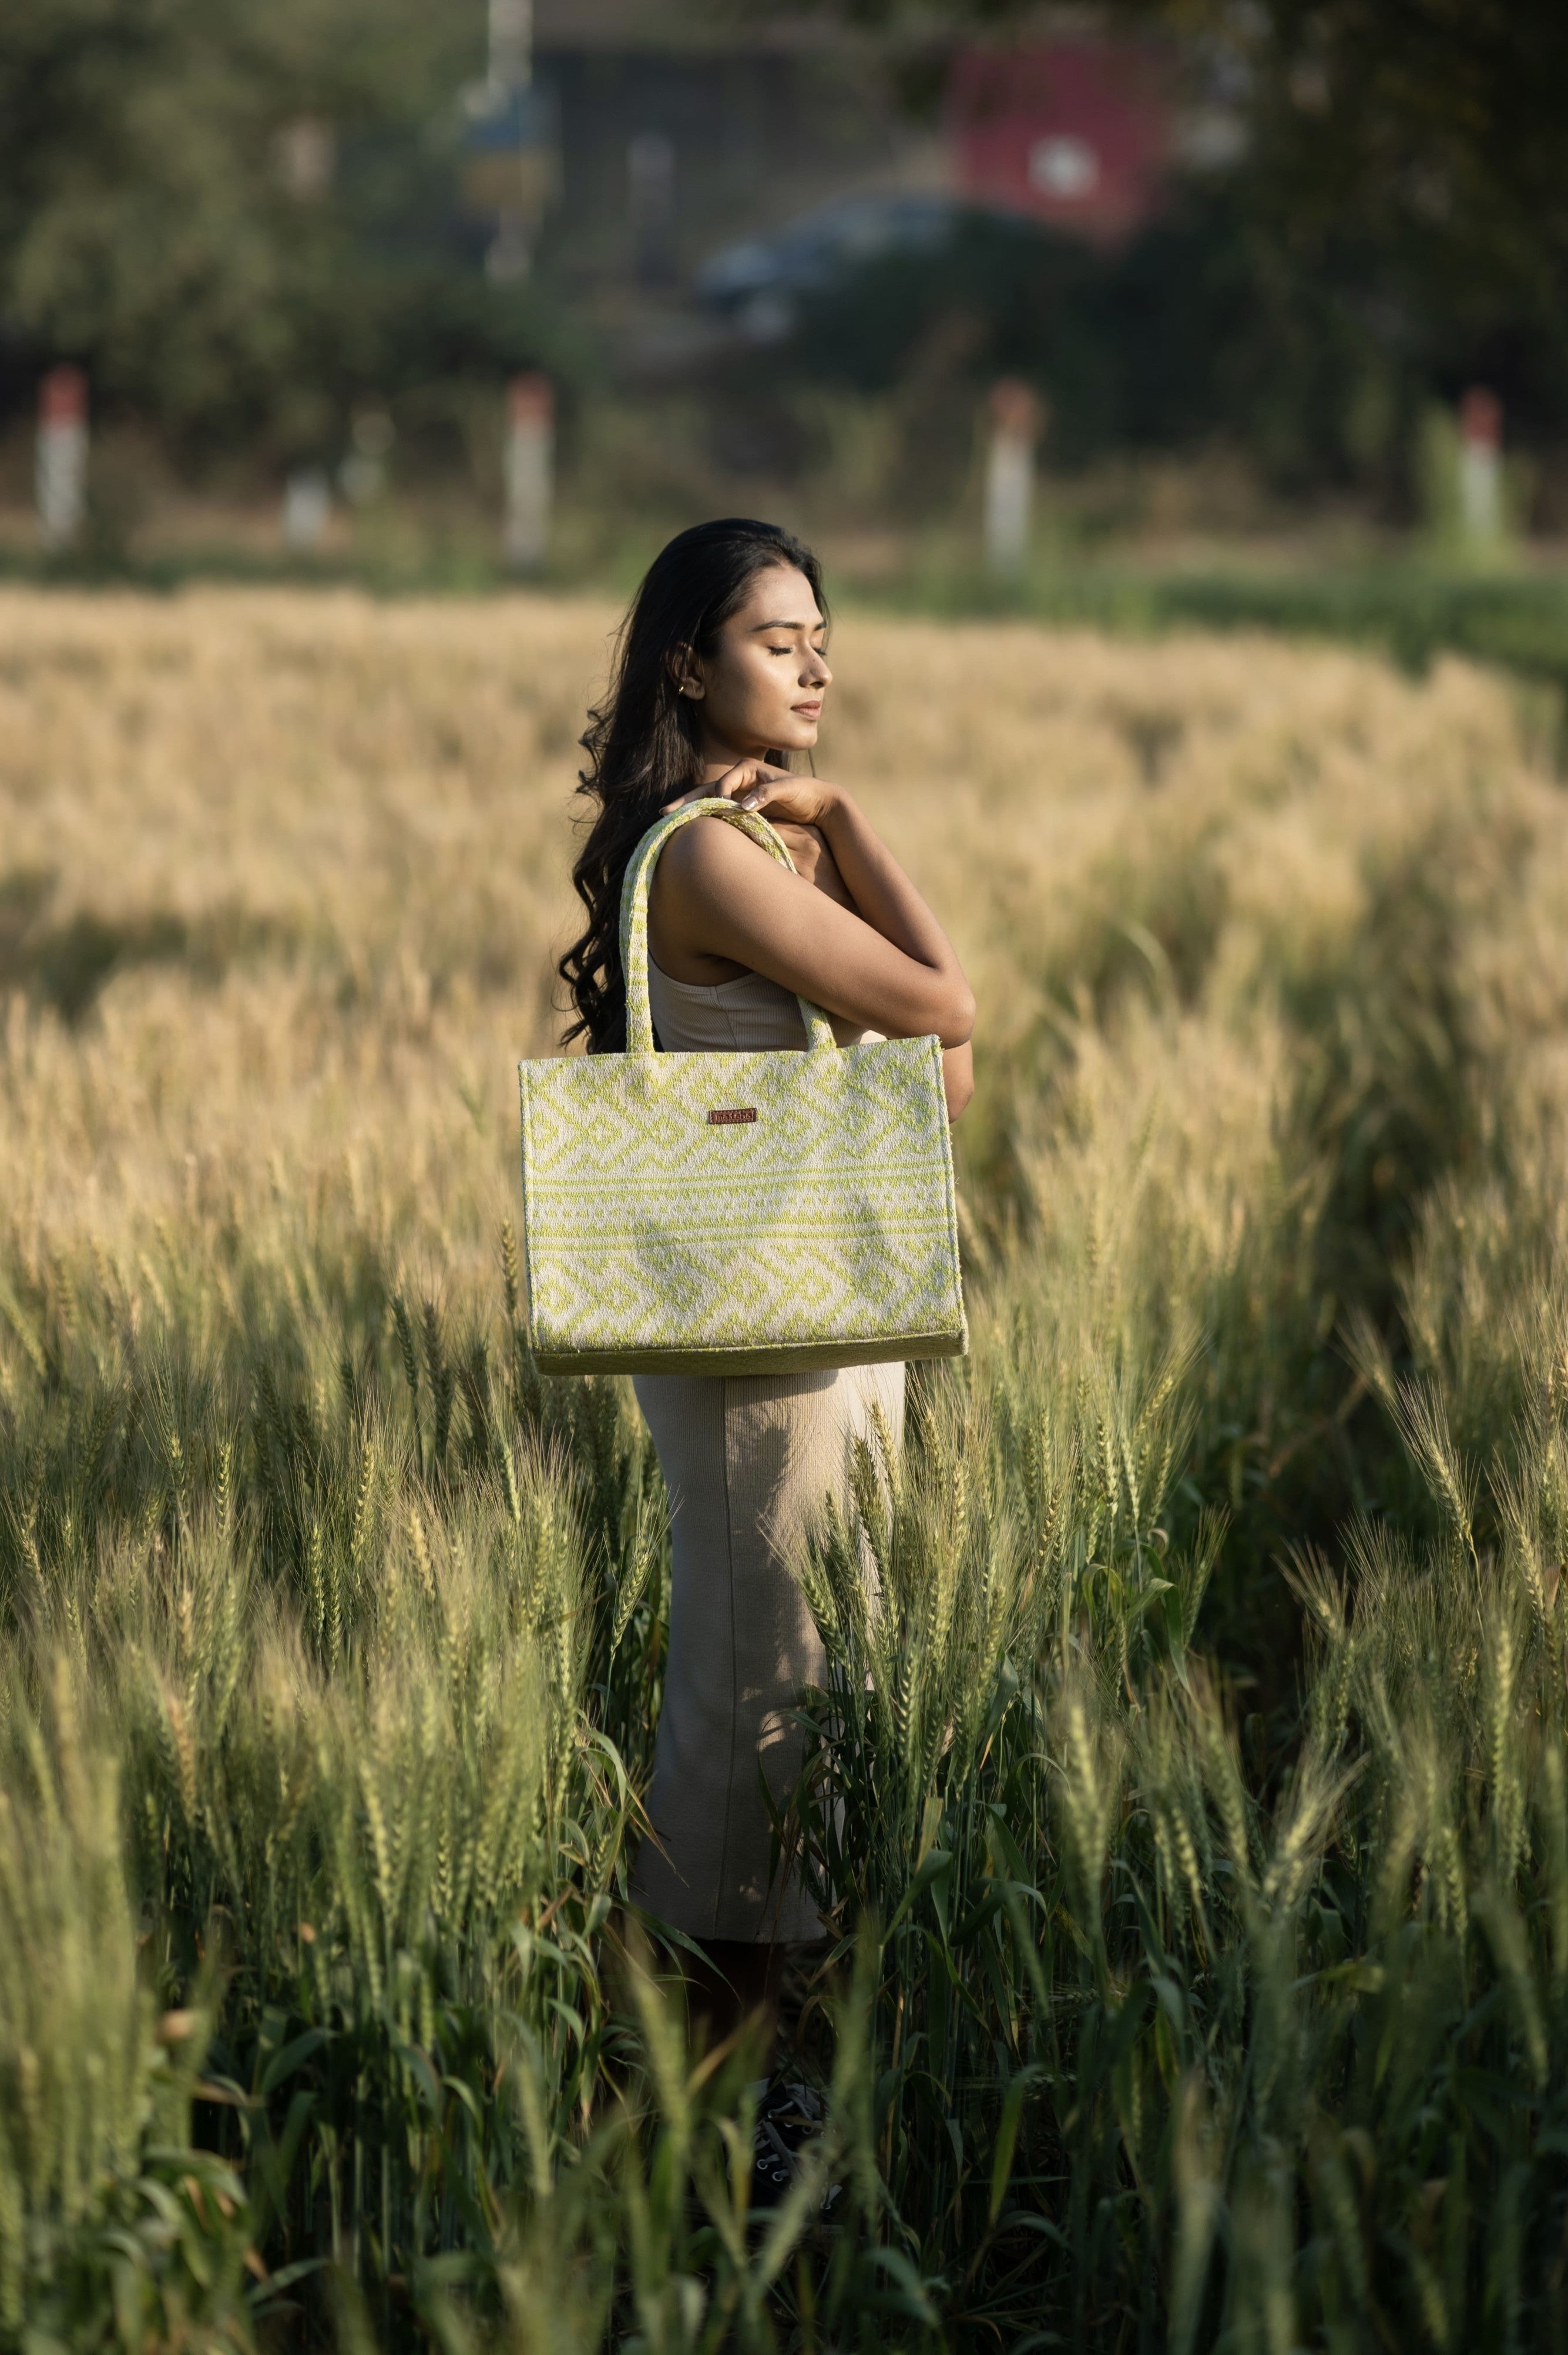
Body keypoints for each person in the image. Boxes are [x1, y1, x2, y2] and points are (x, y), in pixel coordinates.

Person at [558, 517, 974, 2190]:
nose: (814, 665)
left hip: (818, 1324)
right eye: (777, 636)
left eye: (824, 637)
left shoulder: (760, 850)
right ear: (688, 661)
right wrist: (856, 825)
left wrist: (841, 836)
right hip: (762, 1347)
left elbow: (933, 1080)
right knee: (752, 1714)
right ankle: (674, 2115)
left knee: (794, 1701)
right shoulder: (719, 858)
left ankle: (730, 2108)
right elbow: (950, 1013)